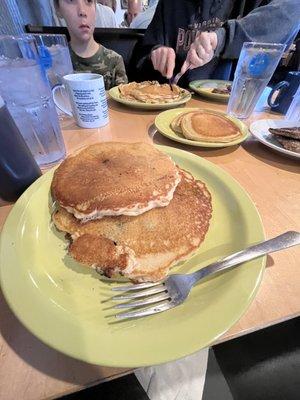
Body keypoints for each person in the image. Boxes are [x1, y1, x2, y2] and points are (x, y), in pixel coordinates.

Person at [134, 0, 300, 87]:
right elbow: (142, 57)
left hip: (232, 110)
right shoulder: (171, 4)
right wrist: (155, 53)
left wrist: (222, 39)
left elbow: (293, 10)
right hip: (173, 105)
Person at [54, 0, 127, 89]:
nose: (82, 11)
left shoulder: (114, 61)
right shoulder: (56, 61)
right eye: (71, 1)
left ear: (95, 8)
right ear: (58, 8)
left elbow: (122, 98)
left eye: (89, 1)